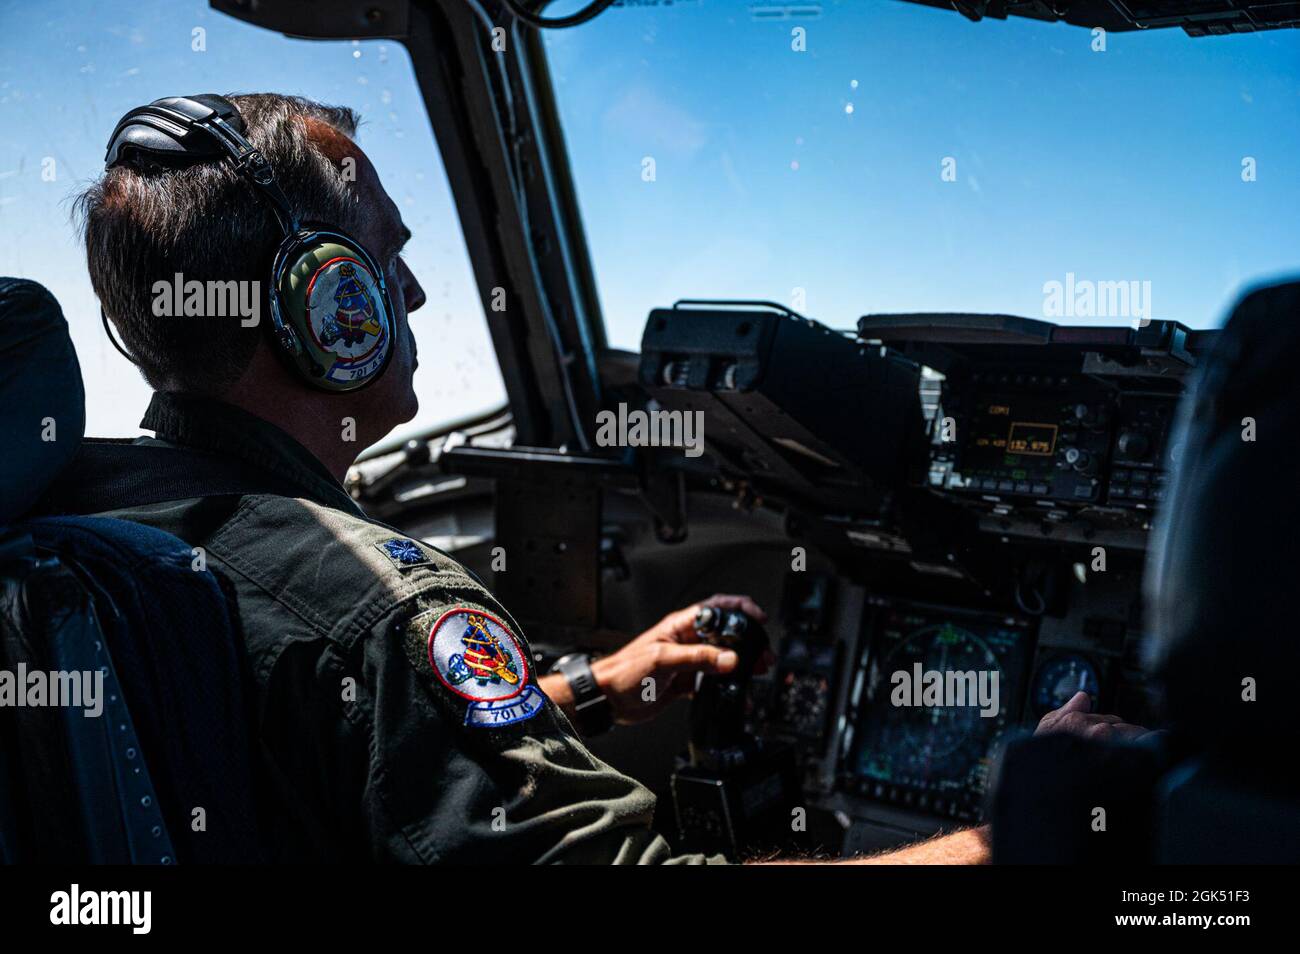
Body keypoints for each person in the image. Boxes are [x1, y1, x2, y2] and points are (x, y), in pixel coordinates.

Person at [75, 92, 1141, 864]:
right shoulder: (374, 606)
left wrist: (589, 685)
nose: (414, 291)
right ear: (324, 304)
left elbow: (357, 755)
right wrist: (1015, 840)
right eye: (383, 258)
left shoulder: (91, 511)